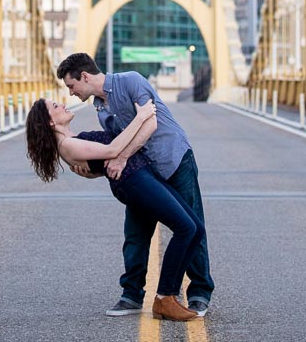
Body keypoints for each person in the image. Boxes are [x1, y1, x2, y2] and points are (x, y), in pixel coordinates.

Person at [56, 52, 213, 318]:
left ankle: (198, 292)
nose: (71, 93)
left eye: (71, 86)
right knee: (136, 233)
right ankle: (131, 295)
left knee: (191, 224)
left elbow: (149, 122)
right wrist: (95, 170)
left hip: (173, 160)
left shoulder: (131, 81)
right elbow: (115, 143)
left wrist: (122, 157)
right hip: (143, 173)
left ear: (84, 76)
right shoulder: (99, 106)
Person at [25, 97, 204, 322]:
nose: (61, 104)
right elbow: (113, 149)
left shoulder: (71, 139)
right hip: (134, 182)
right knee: (185, 228)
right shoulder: (67, 145)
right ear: (50, 122)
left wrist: (93, 171)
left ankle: (168, 297)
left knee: (195, 228)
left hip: (140, 175)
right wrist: (141, 117)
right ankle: (164, 298)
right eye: (54, 107)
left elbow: (101, 163)